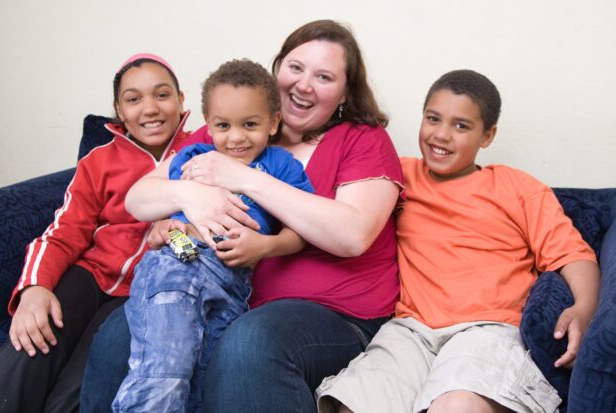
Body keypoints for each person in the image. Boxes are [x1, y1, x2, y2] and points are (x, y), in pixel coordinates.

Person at [80, 19, 404, 413]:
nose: (304, 84)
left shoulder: (362, 139)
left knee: (249, 342)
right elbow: (141, 198)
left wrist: (243, 179)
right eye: (296, 68)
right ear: (278, 68)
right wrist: (185, 201)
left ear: (344, 92)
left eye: (324, 76)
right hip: (214, 286)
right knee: (120, 333)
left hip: (334, 313)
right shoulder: (231, 128)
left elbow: (352, 235)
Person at [316, 69, 601, 413]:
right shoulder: (397, 177)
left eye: (461, 126)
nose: (442, 135)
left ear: (488, 136)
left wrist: (584, 308)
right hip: (410, 330)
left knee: (456, 407)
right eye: (433, 119)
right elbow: (337, 199)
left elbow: (573, 254)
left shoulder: (516, 187)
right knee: (354, 405)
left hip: (489, 329)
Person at [0, 53, 243, 413]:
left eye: (162, 95)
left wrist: (181, 232)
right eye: (133, 99)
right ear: (119, 110)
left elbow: (218, 229)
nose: (150, 109)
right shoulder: (99, 160)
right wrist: (35, 288)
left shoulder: (206, 150)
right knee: (31, 343)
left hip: (149, 286)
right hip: (91, 274)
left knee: (83, 380)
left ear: (181, 100)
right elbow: (64, 230)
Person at [112, 59, 314, 413]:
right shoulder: (195, 157)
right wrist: (162, 227)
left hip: (234, 285)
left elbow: (301, 230)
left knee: (203, 384)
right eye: (223, 125)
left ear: (273, 122)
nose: (236, 137)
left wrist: (267, 246)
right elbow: (156, 207)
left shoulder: (281, 166)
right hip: (179, 264)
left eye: (249, 125)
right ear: (209, 125)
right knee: (163, 373)